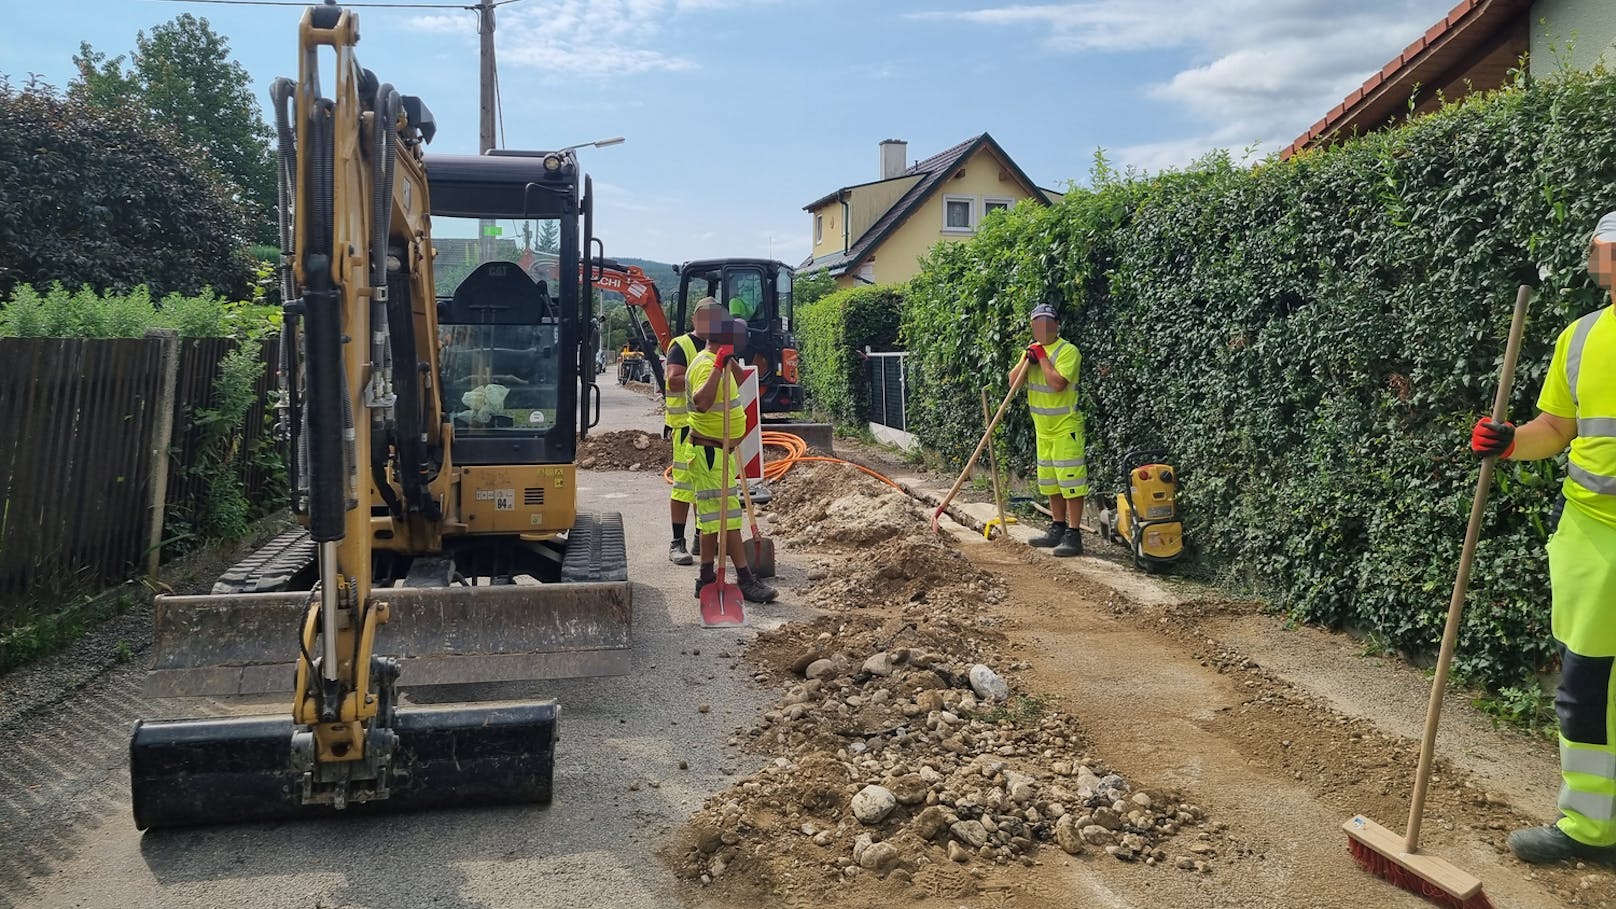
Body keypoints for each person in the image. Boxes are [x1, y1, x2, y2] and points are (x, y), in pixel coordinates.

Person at [1472, 213, 1616, 863]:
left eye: (1602, 250)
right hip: (1593, 536)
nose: (1598, 261)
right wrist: (1507, 442)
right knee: (1586, 689)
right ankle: (1590, 829)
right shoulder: (1582, 338)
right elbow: (1558, 426)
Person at [687, 308, 778, 604]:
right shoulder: (704, 365)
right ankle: (744, 578)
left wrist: (728, 360)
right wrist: (716, 364)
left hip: (719, 453)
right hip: (709, 453)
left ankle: (706, 578)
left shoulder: (722, 360)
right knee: (726, 520)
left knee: (715, 520)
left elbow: (739, 382)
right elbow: (701, 402)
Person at [1012, 300, 1087, 557]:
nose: (1042, 328)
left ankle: (1074, 535)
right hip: (1043, 429)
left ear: (1056, 325)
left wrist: (1042, 357)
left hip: (1066, 426)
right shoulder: (1030, 352)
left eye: (1046, 323)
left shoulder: (1068, 351)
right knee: (1051, 483)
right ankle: (1057, 527)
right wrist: (1028, 360)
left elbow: (1057, 384)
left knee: (1071, 483)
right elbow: (1013, 383)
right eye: (1037, 323)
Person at [662, 300, 710, 565]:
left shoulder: (718, 348)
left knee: (707, 487)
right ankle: (676, 542)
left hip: (711, 429)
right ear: (695, 319)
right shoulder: (682, 345)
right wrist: (706, 380)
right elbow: (674, 380)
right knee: (684, 487)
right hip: (686, 428)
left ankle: (700, 538)